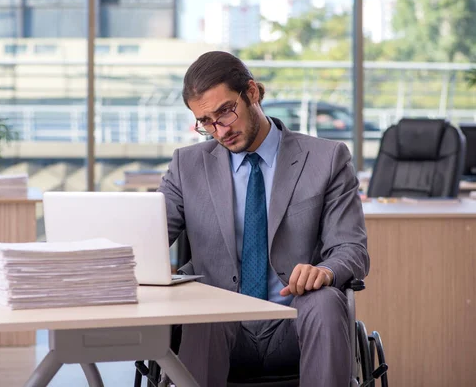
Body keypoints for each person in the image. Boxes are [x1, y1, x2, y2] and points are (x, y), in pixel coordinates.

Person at [157, 51, 369, 387]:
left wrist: (324, 271)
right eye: (206, 122)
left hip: (297, 319)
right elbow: (148, 237)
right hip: (218, 325)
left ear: (252, 92)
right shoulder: (187, 166)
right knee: (203, 301)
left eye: (225, 112)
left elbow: (352, 248)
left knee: (327, 301)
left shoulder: (326, 159)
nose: (219, 131)